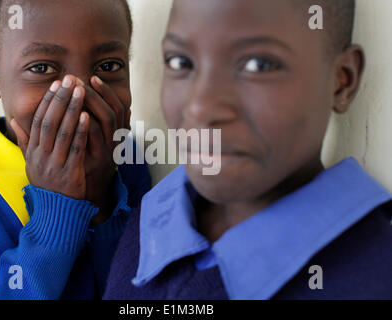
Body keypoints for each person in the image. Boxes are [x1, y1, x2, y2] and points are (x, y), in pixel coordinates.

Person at [104, 0, 392, 299]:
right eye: (180, 62)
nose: (200, 107)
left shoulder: (374, 278)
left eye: (258, 65)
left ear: (341, 80)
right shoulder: (153, 216)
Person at [0, 0, 150, 300]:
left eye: (108, 66)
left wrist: (102, 199)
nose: (79, 94)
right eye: (42, 68)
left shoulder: (127, 161)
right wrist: (57, 212)